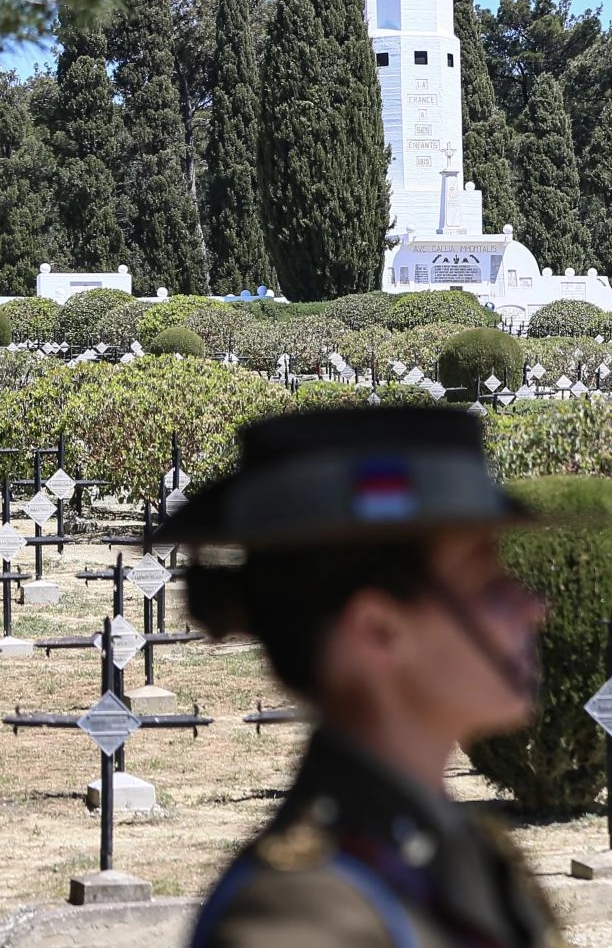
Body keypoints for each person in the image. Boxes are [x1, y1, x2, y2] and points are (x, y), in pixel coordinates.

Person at [159, 406, 560, 948]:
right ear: (378, 631)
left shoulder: (465, 848)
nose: (534, 609)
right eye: (488, 585)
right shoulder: (299, 916)